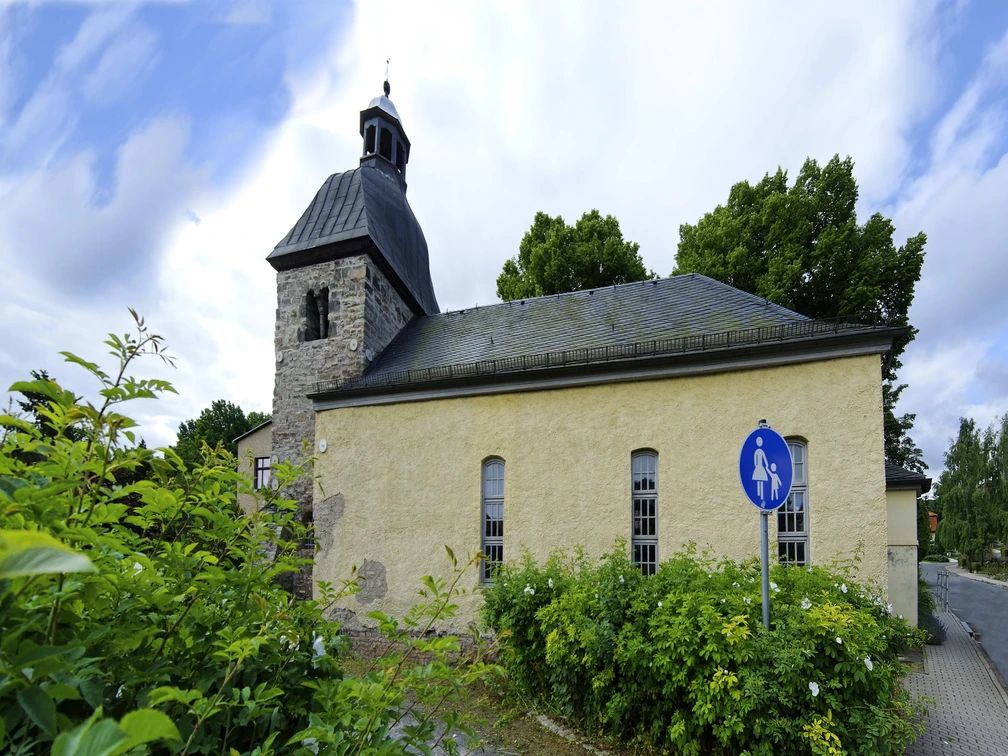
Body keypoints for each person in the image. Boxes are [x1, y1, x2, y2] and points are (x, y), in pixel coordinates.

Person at [752, 437, 769, 501]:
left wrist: (757, 465)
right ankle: (759, 495)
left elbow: (763, 458)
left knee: (760, 480)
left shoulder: (759, 451)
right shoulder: (758, 451)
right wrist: (766, 464)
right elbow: (757, 459)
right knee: (760, 480)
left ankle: (760, 495)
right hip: (759, 467)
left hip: (759, 467)